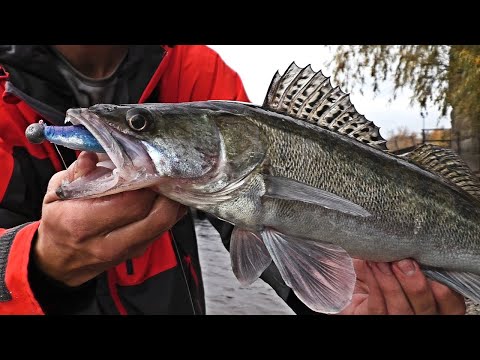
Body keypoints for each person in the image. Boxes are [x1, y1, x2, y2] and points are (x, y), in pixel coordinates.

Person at [0, 45, 466, 315]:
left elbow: (257, 233)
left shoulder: (197, 74)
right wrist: (39, 262)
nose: (131, 131)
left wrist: (346, 306)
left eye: (140, 124)